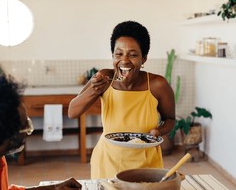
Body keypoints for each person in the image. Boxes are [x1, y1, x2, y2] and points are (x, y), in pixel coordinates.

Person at [68, 20, 175, 179]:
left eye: (133, 54)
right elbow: (72, 112)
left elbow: (170, 119)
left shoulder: (157, 84)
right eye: (119, 54)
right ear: (112, 56)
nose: (124, 60)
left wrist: (159, 131)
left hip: (147, 164)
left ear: (144, 58)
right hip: (107, 162)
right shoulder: (105, 77)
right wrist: (94, 90)